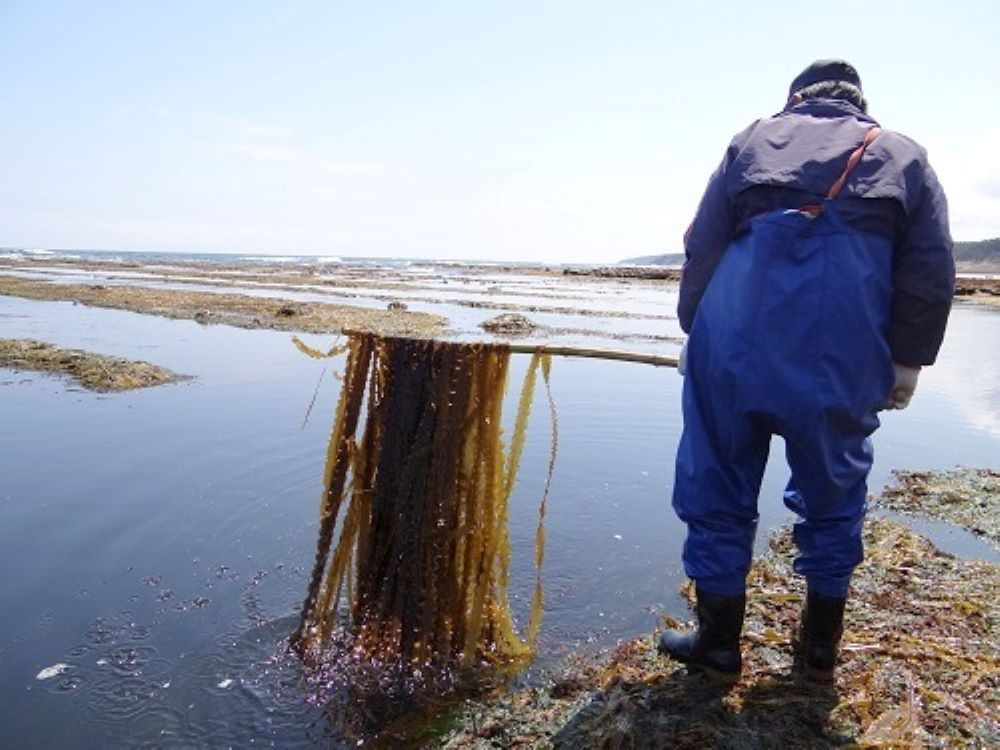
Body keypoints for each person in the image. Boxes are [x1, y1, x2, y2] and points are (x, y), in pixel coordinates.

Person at [658, 60, 954, 682]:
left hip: (732, 348)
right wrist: (909, 360)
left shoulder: (752, 141)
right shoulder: (902, 154)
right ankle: (818, 651)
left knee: (717, 481)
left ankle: (717, 645)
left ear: (796, 98)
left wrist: (694, 330)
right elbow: (929, 269)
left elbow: (704, 245)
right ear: (859, 102)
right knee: (834, 491)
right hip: (842, 356)